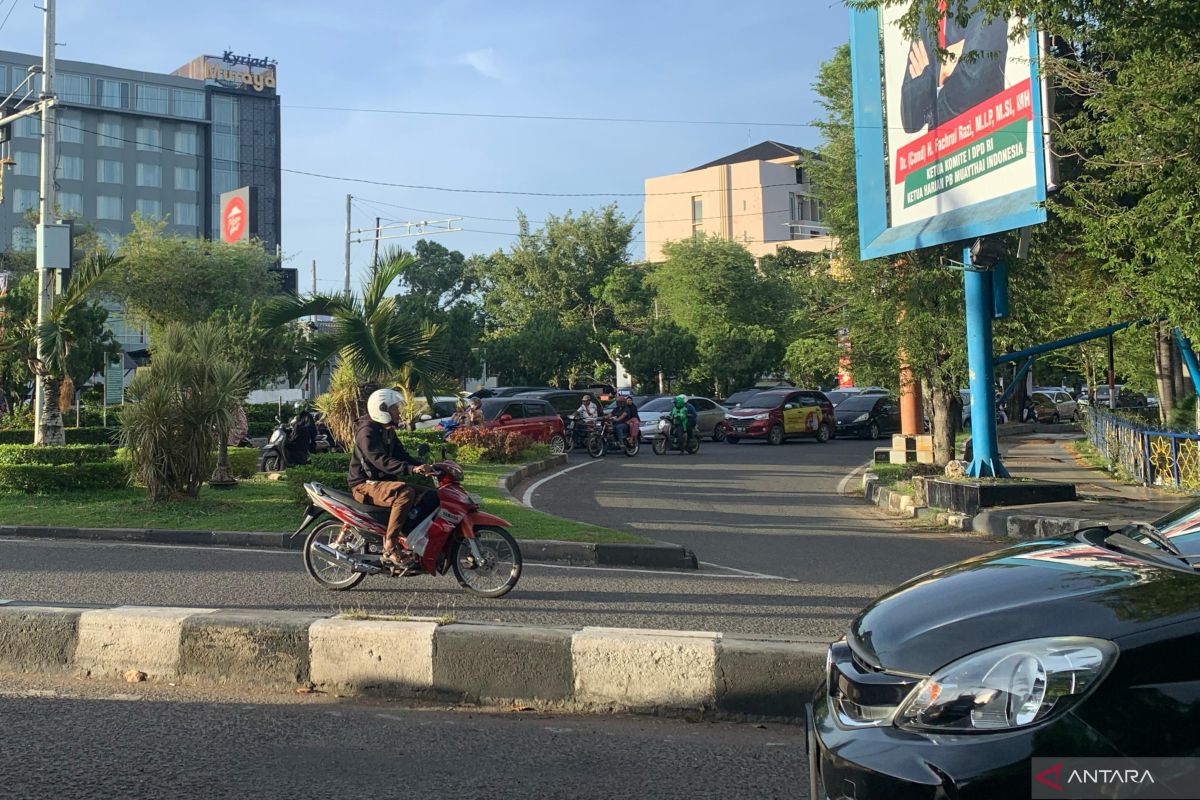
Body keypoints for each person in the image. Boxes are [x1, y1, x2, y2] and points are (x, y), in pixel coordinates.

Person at [348, 388, 437, 568]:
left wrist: (426, 467)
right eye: (395, 408)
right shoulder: (367, 432)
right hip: (364, 485)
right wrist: (411, 469)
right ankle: (389, 545)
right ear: (382, 410)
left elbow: (401, 455)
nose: (398, 412)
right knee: (405, 493)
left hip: (382, 483)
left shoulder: (387, 430)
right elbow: (380, 461)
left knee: (432, 496)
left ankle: (412, 541)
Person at [899, 0, 1009, 134]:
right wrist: (939, 71)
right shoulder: (924, 8)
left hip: (984, 139)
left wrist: (929, 88)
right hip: (939, 147)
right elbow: (910, 118)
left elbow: (974, 82)